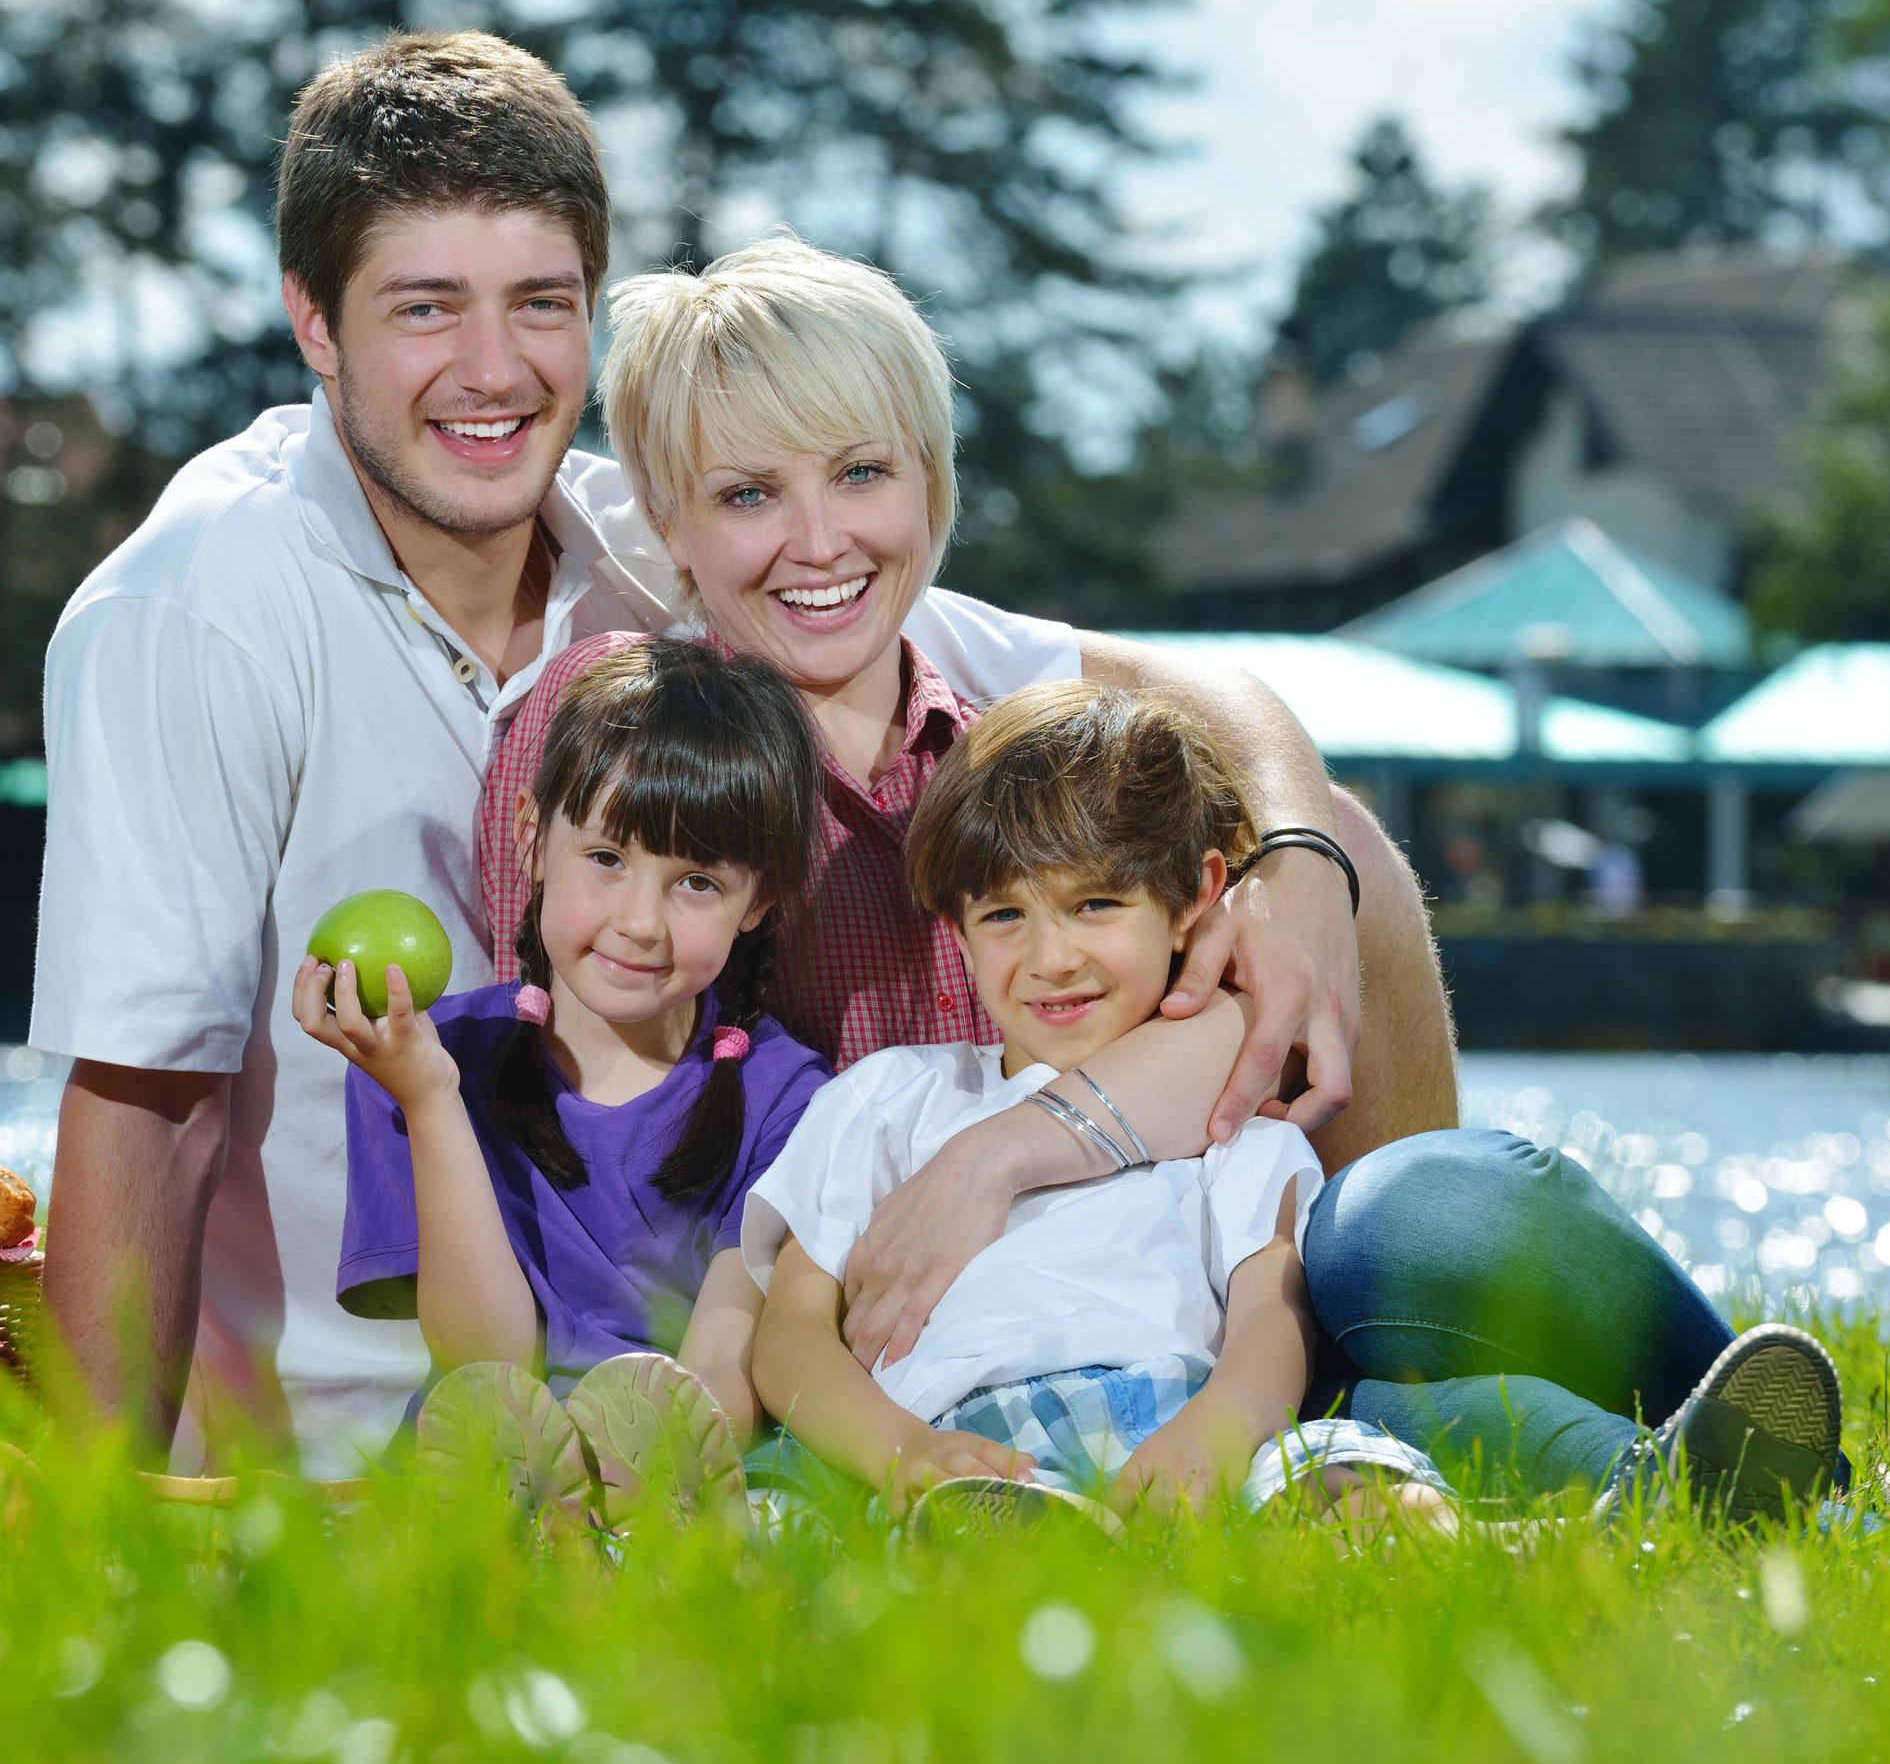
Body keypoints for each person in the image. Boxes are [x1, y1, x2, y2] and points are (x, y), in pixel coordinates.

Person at [32, 31, 1452, 1471]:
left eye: (540, 303)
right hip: (441, 1395)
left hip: (896, 1307)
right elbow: (147, 1094)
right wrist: (101, 1520)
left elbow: (1176, 689)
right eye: (422, 307)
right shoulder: (209, 607)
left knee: (1361, 897)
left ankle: (1391, 1404)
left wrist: (1296, 857)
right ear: (314, 321)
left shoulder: (657, 546)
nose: (490, 367)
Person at [475, 234, 1456, 1376]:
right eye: (748, 494)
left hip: (1130, 1286)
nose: (820, 541)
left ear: (928, 479)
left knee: (1366, 924)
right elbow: (546, 1095)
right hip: (801, 1345)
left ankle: (1507, 1372)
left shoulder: (1008, 717)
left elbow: (1219, 695)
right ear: (668, 521)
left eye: (860, 474)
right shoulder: (627, 737)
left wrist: (1300, 865)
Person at [743, 683, 1846, 1531]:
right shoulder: (890, 1099)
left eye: (1096, 904)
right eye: (1003, 917)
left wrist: (1218, 1430)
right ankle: (1002, 1545)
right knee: (779, 1505)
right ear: (955, 925)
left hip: (1174, 1418)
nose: (1052, 955)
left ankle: (1669, 1482)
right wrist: (896, 1449)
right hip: (944, 1442)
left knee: (1355, 1463)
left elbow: (1270, 1315)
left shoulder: (1231, 1114)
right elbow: (792, 1329)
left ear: (1197, 897)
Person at [291, 639, 831, 1526]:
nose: (639, 923)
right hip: (483, 1469)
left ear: (758, 903)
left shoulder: (790, 1097)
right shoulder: (428, 1054)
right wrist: (428, 1098)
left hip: (678, 1473)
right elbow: (484, 1360)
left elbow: (725, 1371)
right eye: (607, 859)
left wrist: (628, 1483)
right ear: (532, 839)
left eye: (696, 882)